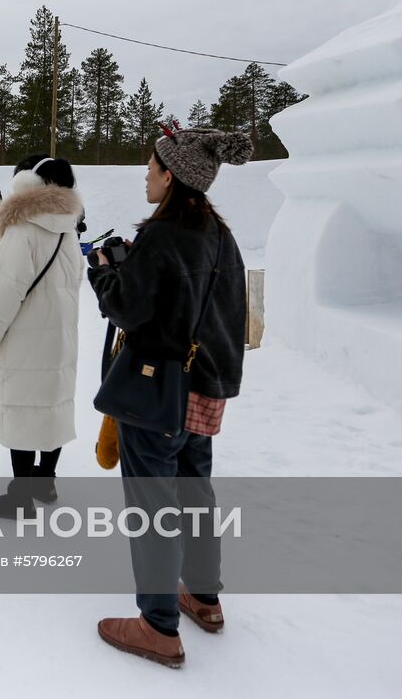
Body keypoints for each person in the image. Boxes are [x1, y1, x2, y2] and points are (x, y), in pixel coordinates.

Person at [87, 124, 250, 668]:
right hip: (202, 391)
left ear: (173, 174)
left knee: (153, 505)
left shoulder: (163, 235)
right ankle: (203, 599)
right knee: (195, 494)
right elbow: (220, 314)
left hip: (157, 391)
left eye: (153, 166)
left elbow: (132, 311)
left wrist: (107, 273)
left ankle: (158, 626)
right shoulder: (219, 235)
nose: (147, 174)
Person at [0, 155, 84, 517]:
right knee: (51, 409)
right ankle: (44, 483)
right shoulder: (68, 229)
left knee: (20, 412)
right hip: (61, 339)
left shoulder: (21, 232)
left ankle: (21, 497)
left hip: (26, 339)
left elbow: (4, 293)